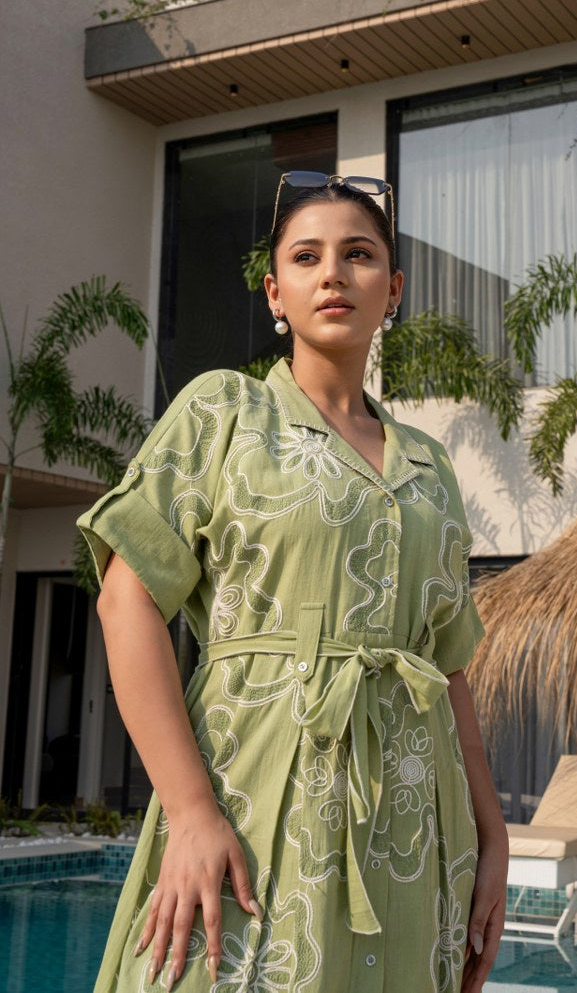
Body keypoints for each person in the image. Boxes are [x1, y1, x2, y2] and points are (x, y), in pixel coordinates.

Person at [78, 173, 508, 993]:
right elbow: (125, 599)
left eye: (359, 255)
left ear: (395, 290)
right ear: (277, 292)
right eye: (307, 257)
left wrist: (492, 840)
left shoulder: (433, 467)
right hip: (251, 795)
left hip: (416, 823)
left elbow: (447, 665)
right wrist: (193, 813)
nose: (334, 274)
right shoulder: (222, 414)